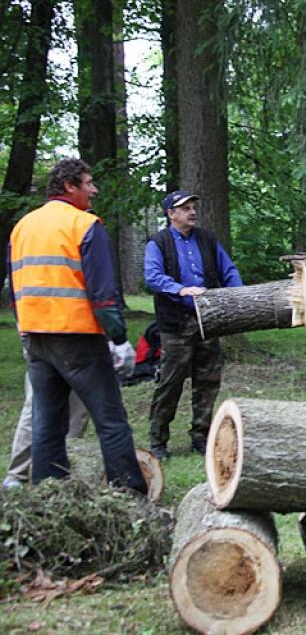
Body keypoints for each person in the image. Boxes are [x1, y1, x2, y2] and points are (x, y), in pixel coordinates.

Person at [8, 158, 147, 495]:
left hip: (37, 339)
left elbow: (14, 287)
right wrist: (118, 339)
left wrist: (23, 325)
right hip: (78, 337)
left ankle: (49, 496)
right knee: (111, 421)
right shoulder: (85, 225)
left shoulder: (22, 227)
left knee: (47, 424)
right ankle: (129, 497)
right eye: (89, 183)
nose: (94, 189)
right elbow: (102, 292)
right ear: (70, 186)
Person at [144, 190, 242, 460]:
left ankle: (201, 437)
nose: (192, 211)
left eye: (193, 206)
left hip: (208, 319)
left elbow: (229, 270)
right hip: (175, 323)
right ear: (171, 214)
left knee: (208, 380)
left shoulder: (207, 240)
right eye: (184, 208)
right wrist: (180, 290)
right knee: (170, 382)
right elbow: (152, 277)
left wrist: (239, 295)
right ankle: (158, 441)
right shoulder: (158, 242)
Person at [2, 367, 90, 488]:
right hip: (46, 354)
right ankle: (18, 474)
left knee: (76, 412)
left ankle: (63, 470)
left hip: (81, 355)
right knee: (36, 408)